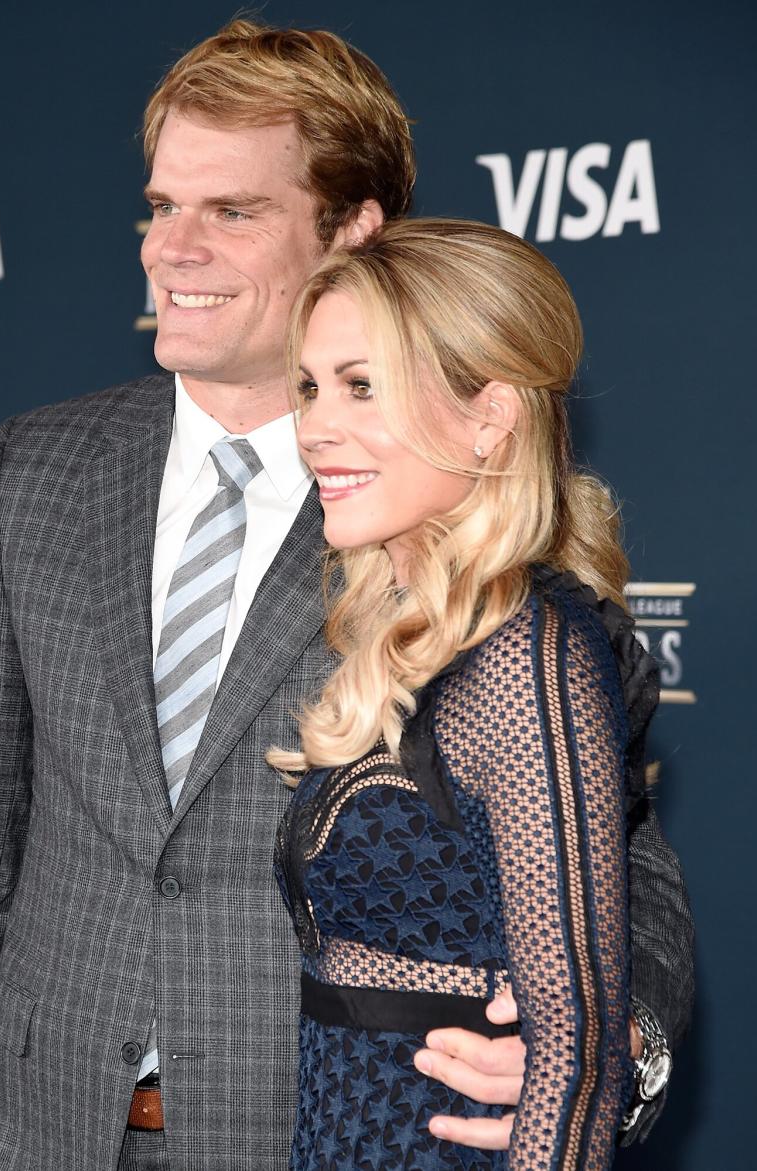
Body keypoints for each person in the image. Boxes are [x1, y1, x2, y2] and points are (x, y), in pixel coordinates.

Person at [0, 21, 692, 1171]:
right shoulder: (35, 468)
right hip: (30, 1127)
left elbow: (623, 860)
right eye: (160, 206)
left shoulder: (433, 509)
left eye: (232, 211)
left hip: (311, 1130)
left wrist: (614, 1049)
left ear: (353, 231)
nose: (170, 248)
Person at [273, 216, 661, 1170]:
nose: (318, 425)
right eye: (311, 387)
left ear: (490, 415)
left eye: (364, 385)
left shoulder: (527, 653)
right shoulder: (405, 634)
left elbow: (575, 1050)